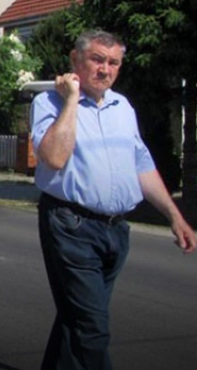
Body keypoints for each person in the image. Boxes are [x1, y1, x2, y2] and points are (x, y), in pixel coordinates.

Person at [31, 30, 196, 370]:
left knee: (78, 319)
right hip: (71, 225)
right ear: (75, 61)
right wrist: (72, 100)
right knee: (91, 328)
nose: (105, 69)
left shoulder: (123, 106)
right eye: (96, 60)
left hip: (116, 230)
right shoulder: (49, 103)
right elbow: (54, 158)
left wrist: (174, 216)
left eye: (113, 62)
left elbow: (142, 165)